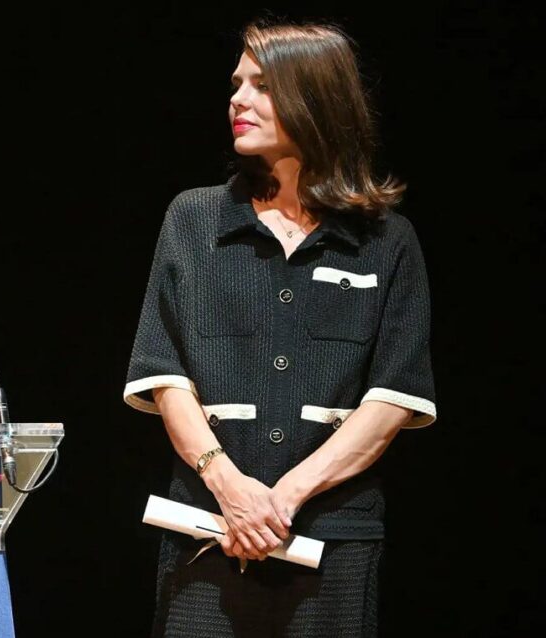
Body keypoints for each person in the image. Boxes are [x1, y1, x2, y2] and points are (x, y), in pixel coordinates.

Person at [124, 22, 436, 637]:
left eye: (262, 86)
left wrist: (282, 499)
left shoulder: (385, 240)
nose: (237, 99)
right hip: (206, 531)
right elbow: (165, 376)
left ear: (317, 98)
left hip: (332, 542)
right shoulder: (193, 220)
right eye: (236, 84)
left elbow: (392, 399)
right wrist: (230, 489)